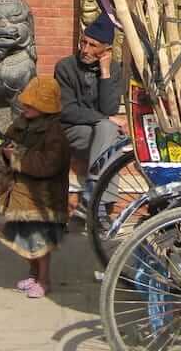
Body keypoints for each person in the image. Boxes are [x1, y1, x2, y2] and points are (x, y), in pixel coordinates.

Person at [0, 77, 72, 299]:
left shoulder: (55, 134)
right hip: (20, 195)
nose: (25, 107)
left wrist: (18, 157)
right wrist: (5, 151)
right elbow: (6, 143)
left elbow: (47, 165)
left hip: (42, 200)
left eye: (31, 105)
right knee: (24, 240)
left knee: (40, 243)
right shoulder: (20, 124)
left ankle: (44, 280)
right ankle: (33, 273)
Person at [55, 14, 123, 221]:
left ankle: (94, 202)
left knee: (108, 132)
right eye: (83, 42)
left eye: (93, 45)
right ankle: (98, 202)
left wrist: (104, 73)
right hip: (72, 131)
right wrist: (105, 119)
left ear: (107, 51)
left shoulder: (114, 69)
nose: (85, 50)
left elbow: (109, 108)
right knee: (111, 138)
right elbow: (67, 110)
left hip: (99, 133)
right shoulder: (65, 66)